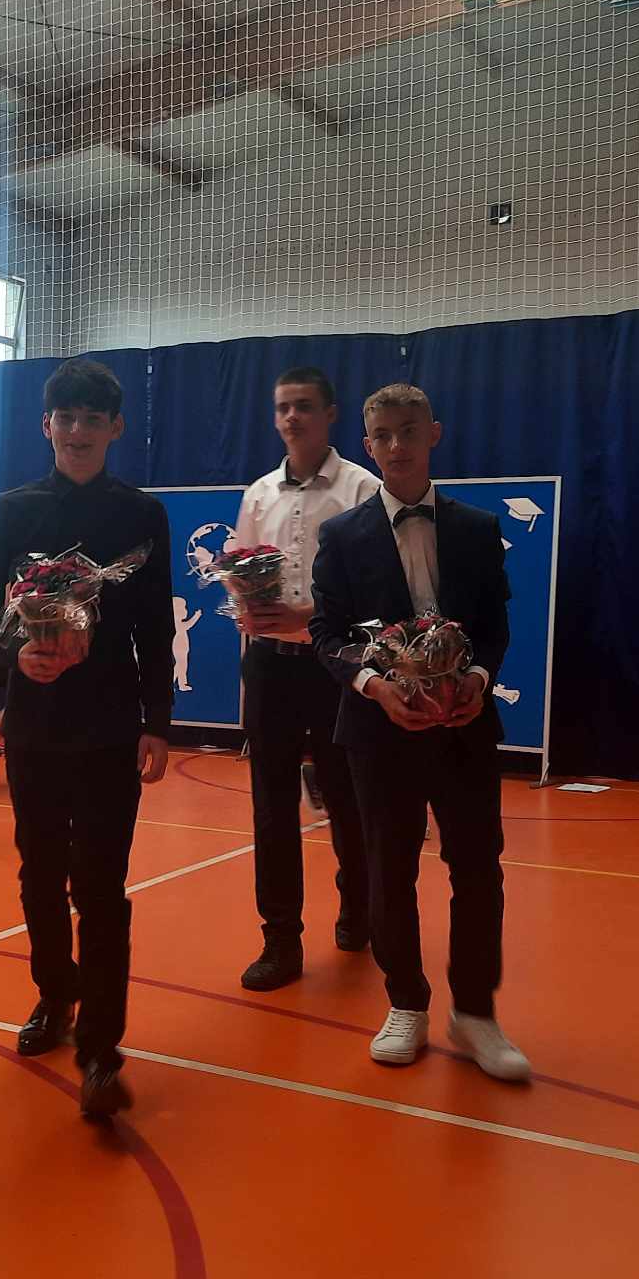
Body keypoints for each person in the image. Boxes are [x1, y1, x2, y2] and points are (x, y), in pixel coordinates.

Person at [0, 357, 175, 1120]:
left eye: (94, 418)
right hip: (34, 723)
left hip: (112, 725)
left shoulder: (142, 515)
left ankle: (101, 1051)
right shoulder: (10, 511)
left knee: (102, 888)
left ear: (115, 427)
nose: (79, 430)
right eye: (67, 417)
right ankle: (56, 993)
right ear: (46, 425)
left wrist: (157, 721)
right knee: (39, 874)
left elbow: (154, 626)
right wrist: (13, 653)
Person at [311, 382, 528, 1082]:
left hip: (465, 729)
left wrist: (478, 680)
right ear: (367, 446)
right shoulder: (341, 536)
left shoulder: (476, 528)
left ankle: (475, 1013)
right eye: (383, 436)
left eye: (409, 430)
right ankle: (405, 1001)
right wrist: (374, 686)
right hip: (379, 732)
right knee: (388, 869)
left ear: (434, 433)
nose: (397, 445)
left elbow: (495, 628)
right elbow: (327, 635)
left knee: (478, 868)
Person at [229, 364, 381, 991]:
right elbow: (239, 565)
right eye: (283, 407)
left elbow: (375, 590)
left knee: (347, 799)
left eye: (304, 406)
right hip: (269, 667)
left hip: (337, 667)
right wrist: (246, 600)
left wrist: (307, 616)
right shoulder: (259, 494)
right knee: (271, 808)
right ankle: (280, 939)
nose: (292, 417)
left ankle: (358, 903)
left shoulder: (362, 490)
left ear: (330, 414)